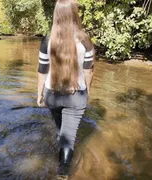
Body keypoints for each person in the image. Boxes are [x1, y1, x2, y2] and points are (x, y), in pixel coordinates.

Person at [36, 0, 94, 178]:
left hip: (52, 95)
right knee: (68, 139)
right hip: (76, 96)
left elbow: (42, 70)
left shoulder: (47, 39)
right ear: (75, 13)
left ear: (56, 14)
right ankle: (62, 173)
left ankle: (60, 140)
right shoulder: (85, 40)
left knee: (61, 129)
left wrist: (39, 94)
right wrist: (88, 92)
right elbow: (89, 71)